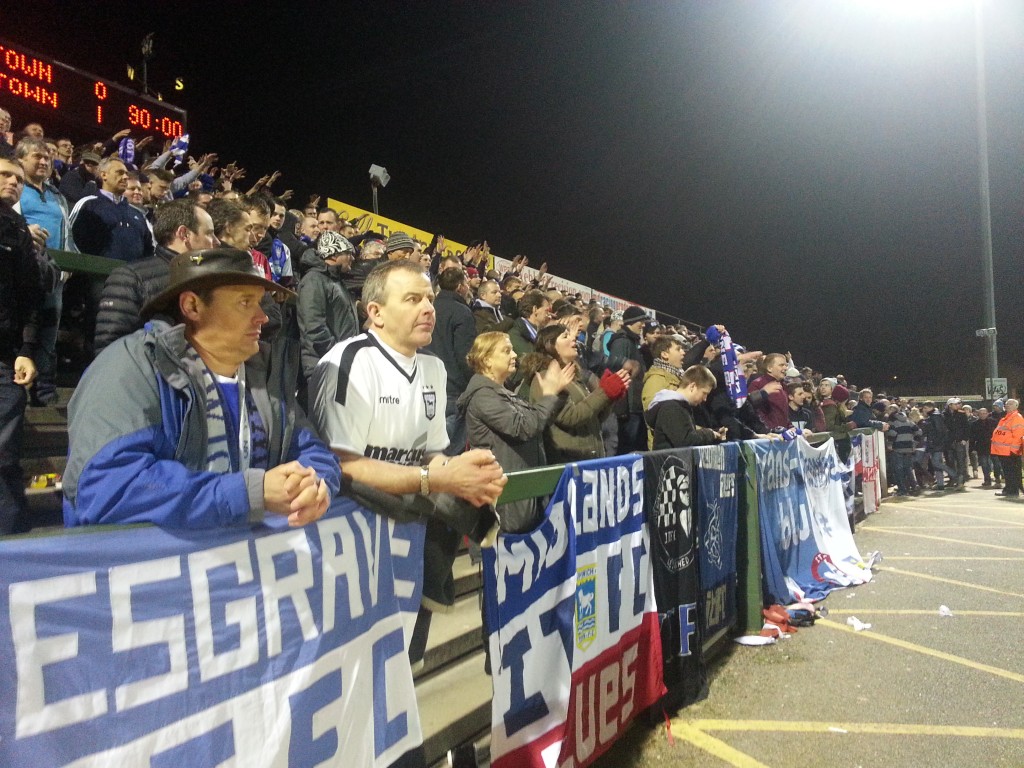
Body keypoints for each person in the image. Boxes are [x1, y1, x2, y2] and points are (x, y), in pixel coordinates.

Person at [308, 259, 505, 666]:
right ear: (375, 312)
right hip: (355, 544)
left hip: (413, 536)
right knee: (357, 668)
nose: (429, 308)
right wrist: (435, 478)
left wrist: (460, 470)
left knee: (403, 666)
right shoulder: (348, 362)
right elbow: (340, 464)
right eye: (412, 299)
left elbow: (430, 452)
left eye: (430, 298)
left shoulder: (432, 368)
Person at [63, 247, 340, 528]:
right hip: (150, 568)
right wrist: (248, 493)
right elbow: (109, 489)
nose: (263, 316)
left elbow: (314, 452)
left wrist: (315, 485)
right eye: (245, 302)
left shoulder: (266, 373)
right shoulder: (129, 367)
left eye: (260, 302)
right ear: (192, 306)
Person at [459, 331, 575, 532]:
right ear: (486, 360)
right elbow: (525, 428)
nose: (514, 355)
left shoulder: (502, 392)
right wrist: (548, 395)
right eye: (506, 351)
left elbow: (536, 420)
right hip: (507, 504)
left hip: (524, 495)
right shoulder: (483, 397)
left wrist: (556, 394)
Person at [94, 200, 219, 353]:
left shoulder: (210, 280)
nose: (216, 242)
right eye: (209, 233)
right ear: (184, 234)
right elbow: (110, 350)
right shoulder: (130, 277)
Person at [0, 157, 45, 534]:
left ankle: (12, 538)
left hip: (4, 354)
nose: (13, 182)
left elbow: (30, 296)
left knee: (5, 449)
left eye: (17, 178)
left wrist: (25, 349)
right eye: (5, 175)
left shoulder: (15, 226)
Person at [519, 324, 629, 464]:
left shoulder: (574, 378)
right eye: (565, 336)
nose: (573, 339)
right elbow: (570, 417)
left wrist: (609, 398)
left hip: (587, 459)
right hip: (568, 462)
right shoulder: (545, 378)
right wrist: (604, 392)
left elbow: (594, 418)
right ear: (550, 345)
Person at [424, 267, 477, 454]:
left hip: (424, 383)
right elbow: (465, 355)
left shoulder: (429, 308)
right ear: (460, 286)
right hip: (453, 388)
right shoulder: (461, 311)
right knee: (449, 451)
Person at [297, 231, 359, 379]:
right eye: (348, 253)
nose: (352, 258)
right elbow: (314, 326)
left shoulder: (334, 281)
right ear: (333, 254)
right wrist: (335, 353)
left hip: (340, 363)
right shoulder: (314, 280)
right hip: (324, 364)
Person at [645, 365, 727, 450]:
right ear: (692, 387)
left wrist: (714, 433)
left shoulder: (680, 407)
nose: (705, 399)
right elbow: (685, 441)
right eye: (704, 393)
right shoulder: (671, 408)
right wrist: (710, 434)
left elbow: (687, 434)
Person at [607, 305, 648, 453]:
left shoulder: (631, 341)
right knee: (628, 448)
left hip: (634, 405)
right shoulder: (622, 341)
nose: (643, 325)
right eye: (641, 321)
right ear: (631, 321)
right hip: (628, 408)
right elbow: (615, 366)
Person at [991, 399, 1024, 499]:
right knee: (1008, 472)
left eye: (1010, 404)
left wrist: (1014, 450)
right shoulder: (1006, 418)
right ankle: (1009, 489)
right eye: (1006, 404)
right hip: (1004, 451)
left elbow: (1018, 435)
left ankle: (1012, 491)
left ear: (1016, 406)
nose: (1007, 405)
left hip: (1010, 451)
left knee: (1012, 472)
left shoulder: (1016, 418)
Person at [970, 406, 999, 487]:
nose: (982, 415)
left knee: (996, 464)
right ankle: (987, 480)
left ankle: (997, 479)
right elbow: (972, 437)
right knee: (984, 464)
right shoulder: (974, 424)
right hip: (981, 447)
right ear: (978, 414)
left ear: (987, 414)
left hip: (993, 446)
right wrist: (972, 448)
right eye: (981, 414)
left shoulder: (994, 422)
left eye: (984, 413)